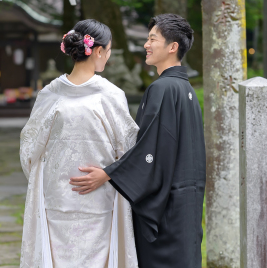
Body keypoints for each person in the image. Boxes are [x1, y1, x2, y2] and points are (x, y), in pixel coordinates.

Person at [69, 14, 206, 268]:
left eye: (153, 39)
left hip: (167, 206)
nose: (146, 44)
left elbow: (148, 148)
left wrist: (108, 174)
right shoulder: (184, 88)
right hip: (185, 201)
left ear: (172, 47)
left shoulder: (162, 89)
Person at [20, 19, 139, 268]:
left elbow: (30, 150)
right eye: (107, 52)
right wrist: (108, 174)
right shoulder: (111, 96)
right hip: (99, 194)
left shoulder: (50, 94)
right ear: (97, 51)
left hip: (56, 196)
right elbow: (129, 150)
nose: (107, 58)